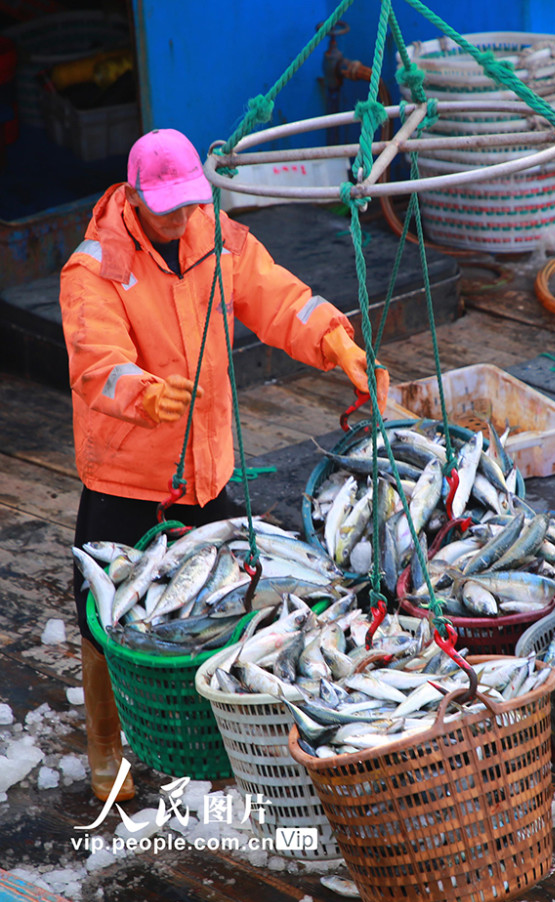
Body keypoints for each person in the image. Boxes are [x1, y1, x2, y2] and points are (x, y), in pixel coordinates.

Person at [61, 128, 390, 804]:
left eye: (188, 204)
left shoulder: (218, 236)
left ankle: (216, 736)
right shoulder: (94, 268)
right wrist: (144, 395)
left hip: (203, 469)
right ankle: (105, 750)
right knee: (103, 616)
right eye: (167, 208)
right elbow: (97, 362)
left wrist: (335, 342)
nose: (180, 219)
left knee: (244, 593)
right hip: (127, 471)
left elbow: (279, 298)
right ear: (133, 196)